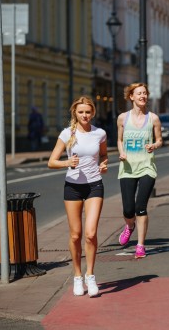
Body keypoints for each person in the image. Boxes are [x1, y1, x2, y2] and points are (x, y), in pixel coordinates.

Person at [47, 96, 108, 297]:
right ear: (75, 113)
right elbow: (51, 162)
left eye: (88, 112)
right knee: (75, 235)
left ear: (93, 113)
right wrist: (67, 163)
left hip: (94, 186)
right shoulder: (67, 134)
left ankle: (90, 276)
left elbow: (104, 154)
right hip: (72, 187)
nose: (85, 115)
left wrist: (103, 164)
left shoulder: (100, 133)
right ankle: (77, 276)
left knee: (90, 234)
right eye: (81, 112)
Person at [117, 83, 163, 259]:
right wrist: (121, 152)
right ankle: (129, 226)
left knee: (140, 207)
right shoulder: (122, 118)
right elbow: (120, 140)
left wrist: (154, 145)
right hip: (127, 168)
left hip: (146, 167)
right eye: (139, 93)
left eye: (145, 93)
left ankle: (140, 245)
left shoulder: (153, 118)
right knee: (128, 210)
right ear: (131, 97)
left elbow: (159, 140)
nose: (143, 96)